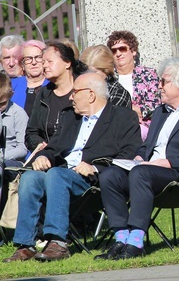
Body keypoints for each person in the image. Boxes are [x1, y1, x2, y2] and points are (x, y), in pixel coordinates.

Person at [3, 72, 140, 263]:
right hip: (62, 175)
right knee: (30, 177)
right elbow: (55, 146)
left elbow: (129, 153)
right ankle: (25, 244)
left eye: (75, 92)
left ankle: (58, 242)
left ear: (91, 95)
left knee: (57, 174)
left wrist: (96, 166)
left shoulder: (123, 117)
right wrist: (43, 156)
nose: (70, 97)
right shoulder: (70, 117)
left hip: (94, 180)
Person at [97, 59, 179, 260]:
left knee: (140, 173)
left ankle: (136, 241)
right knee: (110, 174)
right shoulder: (161, 112)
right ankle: (121, 238)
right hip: (148, 173)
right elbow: (148, 147)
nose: (158, 86)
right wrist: (139, 156)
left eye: (164, 82)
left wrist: (168, 162)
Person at [25, 41, 88, 153]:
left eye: (49, 61)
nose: (44, 66)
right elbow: (31, 132)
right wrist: (39, 145)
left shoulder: (85, 90)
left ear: (67, 63)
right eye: (43, 62)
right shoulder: (43, 94)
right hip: (47, 157)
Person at [106, 30, 161, 139]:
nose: (118, 53)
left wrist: (126, 109)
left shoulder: (148, 75)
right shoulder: (108, 78)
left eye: (122, 49)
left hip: (142, 126)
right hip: (113, 127)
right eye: (114, 51)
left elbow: (155, 106)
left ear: (133, 51)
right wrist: (132, 109)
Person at [10, 40, 48, 115]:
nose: (34, 62)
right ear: (22, 65)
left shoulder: (53, 84)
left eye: (38, 57)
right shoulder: (12, 85)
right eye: (28, 59)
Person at [0, 73, 28, 167]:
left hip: (10, 161)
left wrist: (2, 156)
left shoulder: (18, 114)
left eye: (2, 104)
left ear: (11, 95)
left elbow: (23, 149)